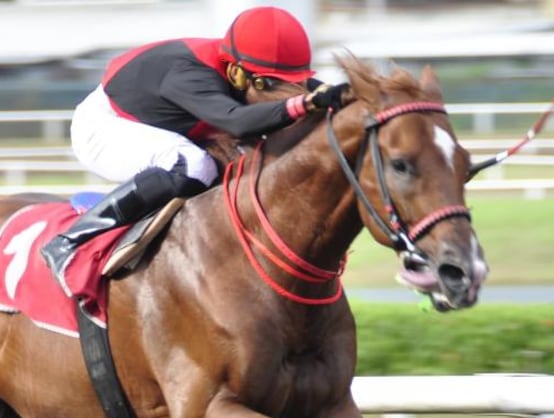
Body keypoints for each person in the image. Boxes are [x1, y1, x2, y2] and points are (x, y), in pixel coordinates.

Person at [40, 4, 347, 282]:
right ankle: (72, 240)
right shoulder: (190, 75)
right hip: (107, 128)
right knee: (194, 165)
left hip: (163, 123)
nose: (282, 92)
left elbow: (302, 87)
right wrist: (304, 104)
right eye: (269, 85)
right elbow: (237, 120)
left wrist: (345, 94)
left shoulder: (245, 65)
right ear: (236, 74)